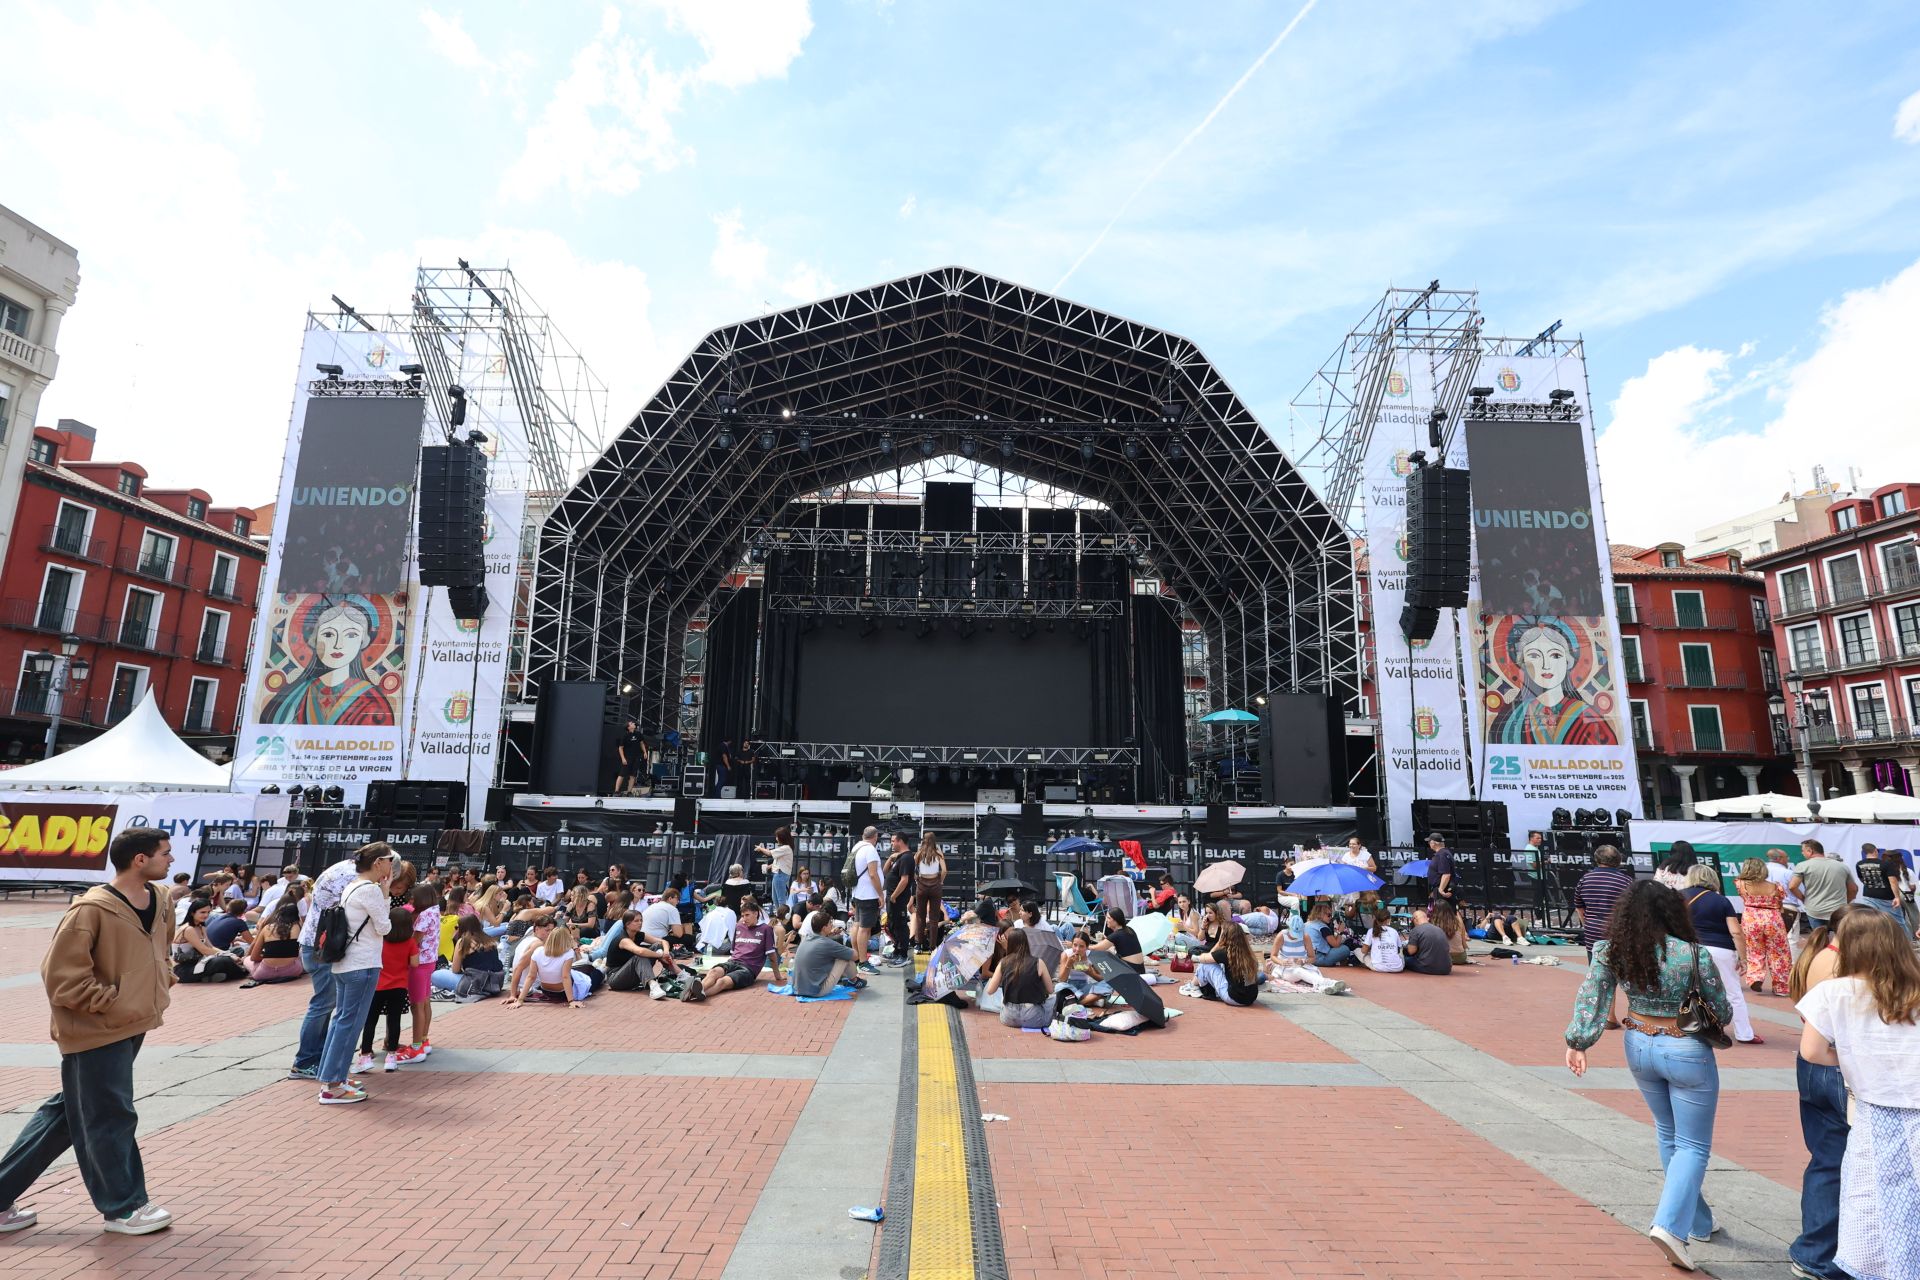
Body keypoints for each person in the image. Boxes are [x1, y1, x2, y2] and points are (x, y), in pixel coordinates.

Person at [0, 828, 176, 1237]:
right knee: (109, 1114)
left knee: (69, 1114)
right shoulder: (90, 910)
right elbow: (60, 976)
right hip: (94, 1029)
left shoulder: (161, 899)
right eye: (164, 853)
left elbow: (161, 949)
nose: (171, 859)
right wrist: (110, 1001)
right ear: (139, 859)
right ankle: (123, 1207)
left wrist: (162, 978)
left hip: (133, 1022)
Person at [1565, 881, 1732, 1272]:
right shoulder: (1692, 953)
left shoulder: (1612, 949)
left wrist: (1578, 1041)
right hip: (1685, 1047)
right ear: (1671, 911)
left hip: (1639, 1043)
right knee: (1693, 1145)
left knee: (1668, 1133)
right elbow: (1721, 1010)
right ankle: (1670, 1226)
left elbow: (1593, 996)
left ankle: (1698, 1219)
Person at [1795, 908, 1920, 1280]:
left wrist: (1853, 1059)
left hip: (1872, 1106)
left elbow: (1812, 1051)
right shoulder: (1914, 988)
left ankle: (1877, 1265)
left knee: (1869, 1194)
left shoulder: (1834, 992)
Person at [1787, 904, 1853, 1280]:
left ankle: (1815, 1250)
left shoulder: (1819, 956)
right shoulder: (1842, 967)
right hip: (1833, 1061)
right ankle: (1823, 1251)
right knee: (1837, 1162)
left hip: (1814, 1063)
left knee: (1826, 1159)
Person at [316, 843, 396, 1105]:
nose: (391, 864)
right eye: (389, 859)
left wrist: (384, 892)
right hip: (363, 963)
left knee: (341, 1021)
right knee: (349, 1024)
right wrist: (384, 894)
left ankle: (333, 1077)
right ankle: (332, 1085)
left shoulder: (353, 886)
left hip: (346, 963)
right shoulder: (369, 889)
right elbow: (384, 927)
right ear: (377, 863)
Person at [1681, 865, 1760, 1045]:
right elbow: (1736, 932)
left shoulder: (1678, 897)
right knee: (1733, 993)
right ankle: (1744, 1033)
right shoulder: (1721, 901)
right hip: (1720, 949)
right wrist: (1743, 958)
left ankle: (1685, 1027)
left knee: (1686, 990)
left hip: (1688, 948)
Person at [1573, 845, 1637, 1027]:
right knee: (1629, 976)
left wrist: (1587, 924)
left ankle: (1608, 1016)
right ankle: (1635, 1015)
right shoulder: (1626, 881)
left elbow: (1579, 906)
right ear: (1618, 860)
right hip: (1619, 933)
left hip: (1593, 934)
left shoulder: (1585, 879)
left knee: (1599, 976)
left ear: (1597, 859)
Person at [353, 906, 415, 1075]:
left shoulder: (380, 940)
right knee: (394, 1020)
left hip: (378, 986)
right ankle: (391, 1056)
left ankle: (365, 1054)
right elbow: (415, 963)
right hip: (399, 985)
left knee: (370, 1020)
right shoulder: (410, 942)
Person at [681, 900, 781, 1002]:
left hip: (748, 969)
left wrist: (778, 976)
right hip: (733, 962)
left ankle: (693, 994)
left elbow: (772, 955)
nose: (744, 919)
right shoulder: (739, 927)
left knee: (722, 982)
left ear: (756, 914)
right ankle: (696, 990)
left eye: (747, 915)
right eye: (743, 916)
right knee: (713, 972)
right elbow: (733, 951)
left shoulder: (766, 929)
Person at [1733, 858, 1791, 998]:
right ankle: (1781, 987)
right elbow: (1780, 902)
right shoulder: (1776, 887)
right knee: (1779, 953)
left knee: (1754, 949)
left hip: (1751, 918)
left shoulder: (1740, 884)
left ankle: (1755, 977)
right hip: (1773, 918)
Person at [398, 883, 440, 1063]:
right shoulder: (434, 911)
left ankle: (416, 1048)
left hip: (419, 962)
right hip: (430, 961)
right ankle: (423, 1039)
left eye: (414, 897)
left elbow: (415, 940)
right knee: (425, 1001)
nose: (411, 900)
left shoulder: (424, 915)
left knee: (416, 1005)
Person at [982, 929, 1056, 1026]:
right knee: (1053, 999)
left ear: (1009, 944)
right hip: (1032, 1017)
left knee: (1002, 997)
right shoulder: (1038, 962)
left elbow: (990, 991)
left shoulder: (1003, 962)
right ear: (1026, 942)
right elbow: (1050, 990)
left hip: (1008, 1018)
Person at [508, 924, 591, 1007]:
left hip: (546, 991)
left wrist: (520, 1000)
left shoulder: (538, 951)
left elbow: (531, 977)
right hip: (562, 992)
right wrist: (571, 1001)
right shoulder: (568, 952)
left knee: (578, 972)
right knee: (591, 973)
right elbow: (565, 977)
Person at [606, 910, 683, 995]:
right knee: (639, 956)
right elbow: (640, 951)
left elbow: (663, 941)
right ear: (627, 924)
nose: (640, 923)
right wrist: (660, 955)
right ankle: (653, 986)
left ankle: (680, 974)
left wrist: (666, 953)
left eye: (641, 920)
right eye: (636, 921)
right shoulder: (623, 939)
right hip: (615, 978)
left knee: (657, 945)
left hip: (631, 974)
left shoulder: (638, 934)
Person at [1191, 920, 1263, 1006]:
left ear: (1225, 936)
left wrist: (1219, 943)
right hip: (1250, 999)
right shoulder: (1248, 953)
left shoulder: (1226, 953)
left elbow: (1203, 959)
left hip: (1234, 999)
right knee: (1220, 965)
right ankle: (1194, 985)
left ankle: (1193, 986)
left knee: (1205, 965)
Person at [171, 902, 247, 984]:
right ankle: (243, 971)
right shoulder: (188, 929)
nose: (206, 915)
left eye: (208, 912)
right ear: (192, 913)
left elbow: (210, 947)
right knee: (224, 960)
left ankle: (213, 976)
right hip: (184, 969)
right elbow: (204, 950)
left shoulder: (201, 927)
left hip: (201, 961)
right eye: (202, 912)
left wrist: (230, 954)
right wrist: (229, 956)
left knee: (237, 950)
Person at [790, 911, 861, 997]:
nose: (832, 925)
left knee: (836, 956)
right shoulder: (827, 943)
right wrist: (854, 938)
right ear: (824, 928)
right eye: (830, 923)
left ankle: (852, 980)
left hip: (797, 989)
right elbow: (855, 956)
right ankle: (854, 981)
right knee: (844, 958)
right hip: (816, 991)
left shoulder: (806, 939)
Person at [431, 915, 505, 996]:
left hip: (476, 983)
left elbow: (455, 970)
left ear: (462, 928)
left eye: (456, 927)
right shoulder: (489, 940)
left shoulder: (463, 941)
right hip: (496, 983)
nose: (455, 930)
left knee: (436, 975)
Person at [1789, 839, 1855, 930]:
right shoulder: (1842, 866)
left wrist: (1804, 899)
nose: (1802, 853)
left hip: (1815, 910)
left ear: (1810, 851)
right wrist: (1845, 903)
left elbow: (1792, 886)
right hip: (1838, 910)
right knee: (1840, 936)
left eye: (1803, 851)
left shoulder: (1803, 866)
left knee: (1819, 937)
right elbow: (1853, 889)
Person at [848, 826, 884, 976]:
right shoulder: (870, 850)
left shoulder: (857, 846)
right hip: (868, 895)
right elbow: (873, 874)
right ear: (875, 837)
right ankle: (863, 963)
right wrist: (880, 894)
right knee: (865, 929)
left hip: (857, 893)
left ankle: (856, 958)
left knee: (857, 925)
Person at [242, 904, 306, 985]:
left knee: (247, 959)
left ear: (278, 915)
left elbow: (254, 957)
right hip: (293, 971)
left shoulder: (267, 928)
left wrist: (268, 958)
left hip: (265, 973)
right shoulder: (299, 927)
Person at [1850, 841, 1906, 922]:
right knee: (1897, 922)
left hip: (1868, 896)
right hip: (1886, 898)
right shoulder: (1886, 864)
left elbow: (1861, 878)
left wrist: (1871, 884)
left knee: (1872, 922)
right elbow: (1893, 882)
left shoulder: (1859, 864)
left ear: (1865, 852)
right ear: (1875, 850)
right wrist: (1897, 897)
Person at [911, 833, 947, 950]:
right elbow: (944, 870)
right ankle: (932, 946)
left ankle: (919, 944)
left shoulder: (919, 852)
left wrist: (916, 879)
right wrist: (940, 881)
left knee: (920, 916)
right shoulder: (938, 852)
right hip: (935, 884)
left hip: (922, 884)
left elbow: (912, 868)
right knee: (934, 917)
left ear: (924, 840)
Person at [1401, 909, 1453, 976]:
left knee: (1403, 959)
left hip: (1427, 967)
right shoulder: (1439, 929)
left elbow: (1411, 951)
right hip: (1446, 968)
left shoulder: (1416, 930)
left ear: (1415, 919)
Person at [1303, 901, 1355, 968]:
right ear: (1320, 914)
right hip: (1319, 958)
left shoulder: (1306, 924)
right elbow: (1336, 944)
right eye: (1329, 915)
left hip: (1305, 957)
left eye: (1331, 915)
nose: (1331, 917)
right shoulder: (1323, 927)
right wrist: (1340, 932)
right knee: (1345, 949)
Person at [756, 826, 795, 915]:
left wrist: (760, 848)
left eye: (777, 837)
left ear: (782, 837)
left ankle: (783, 917)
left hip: (780, 875)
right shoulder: (786, 848)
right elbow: (778, 862)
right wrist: (768, 867)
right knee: (775, 898)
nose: (776, 838)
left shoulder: (786, 848)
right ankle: (779, 915)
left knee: (780, 899)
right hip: (779, 874)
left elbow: (769, 853)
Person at [614, 717, 646, 796]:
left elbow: (642, 743)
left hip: (636, 757)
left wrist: (645, 752)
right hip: (627, 758)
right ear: (628, 727)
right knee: (622, 774)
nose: (634, 724)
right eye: (631, 723)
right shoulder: (625, 735)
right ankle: (616, 791)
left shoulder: (638, 734)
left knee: (633, 775)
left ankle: (629, 792)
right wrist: (623, 758)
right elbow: (620, 748)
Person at [1424, 834, 1455, 908]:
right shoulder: (1444, 853)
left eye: (1429, 842)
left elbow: (1446, 874)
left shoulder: (1442, 854)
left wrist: (1441, 889)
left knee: (1443, 912)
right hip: (1441, 888)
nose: (1429, 844)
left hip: (1443, 890)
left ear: (1434, 843)